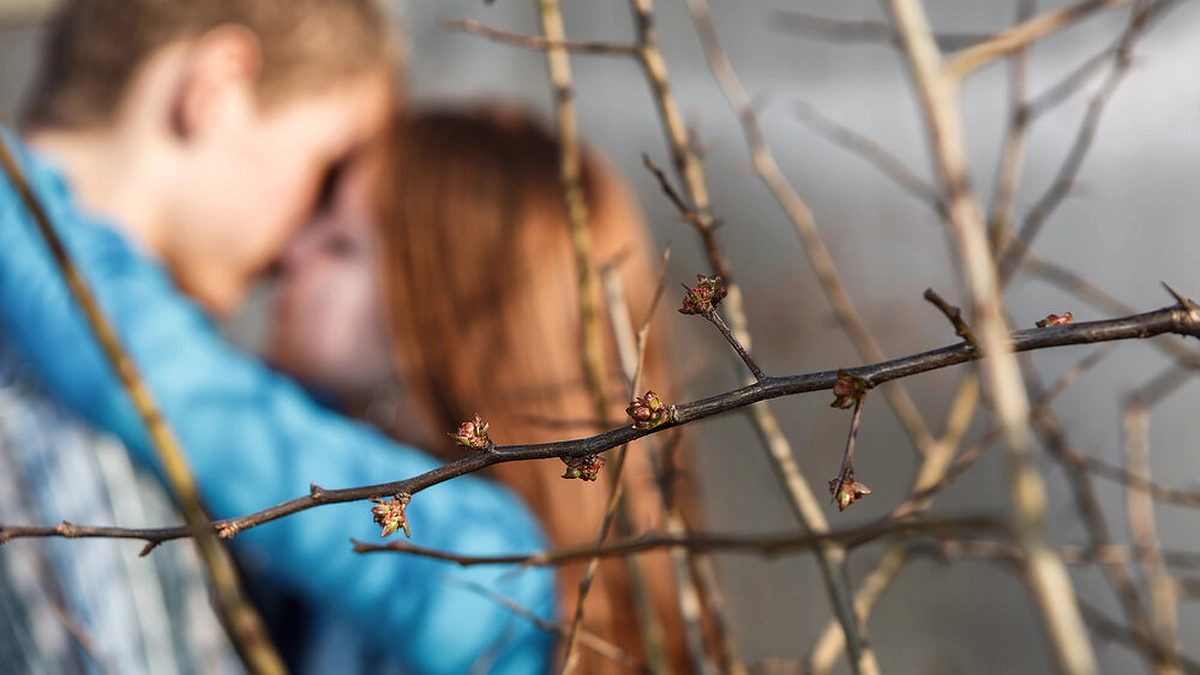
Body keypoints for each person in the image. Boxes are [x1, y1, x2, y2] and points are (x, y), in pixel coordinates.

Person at [0, 2, 556, 674]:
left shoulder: (484, 549)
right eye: (323, 173)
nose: (296, 246)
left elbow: (201, 394)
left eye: (343, 236)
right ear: (215, 86)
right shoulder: (54, 403)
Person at [269, 106, 703, 674]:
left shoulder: (493, 561)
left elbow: (207, 408)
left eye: (342, 245)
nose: (292, 252)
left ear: (439, 315)